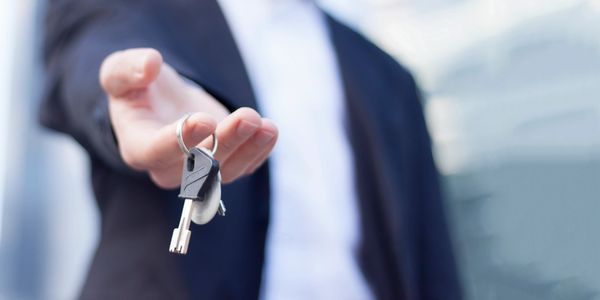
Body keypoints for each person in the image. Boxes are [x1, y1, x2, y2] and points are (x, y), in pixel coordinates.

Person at [41, 0, 461, 299]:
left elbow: (432, 265)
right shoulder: (130, 10)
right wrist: (129, 109)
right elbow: (95, 56)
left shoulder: (387, 75)